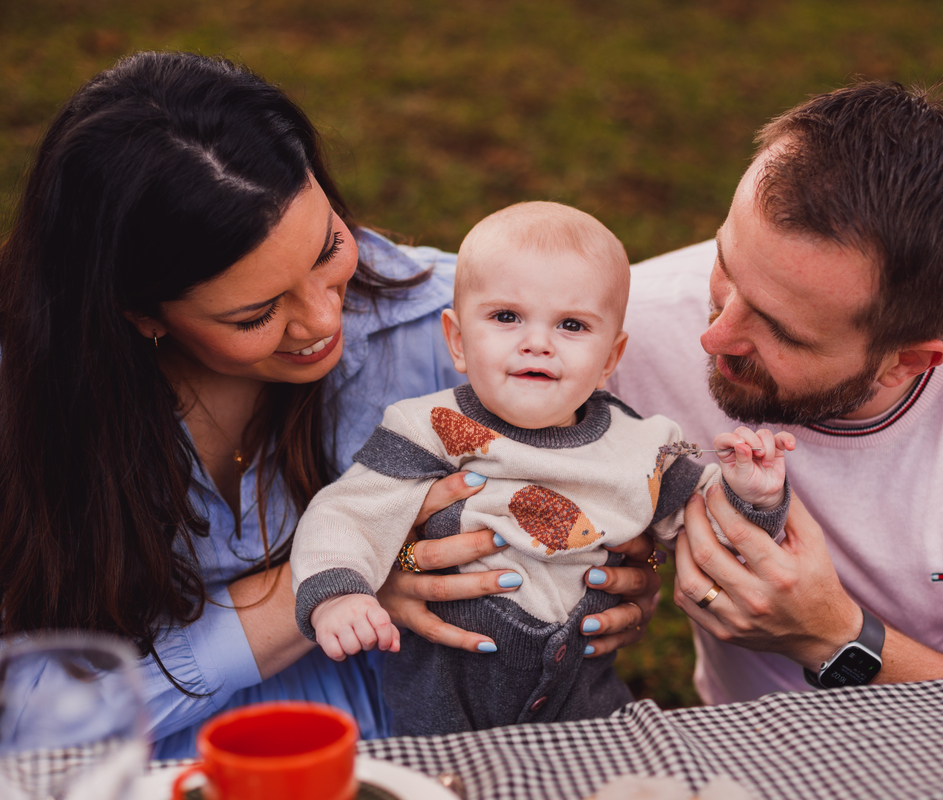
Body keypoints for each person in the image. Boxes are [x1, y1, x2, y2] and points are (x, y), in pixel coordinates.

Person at [0, 52, 658, 767]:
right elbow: (17, 719)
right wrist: (336, 581)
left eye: (327, 247)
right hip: (135, 764)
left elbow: (604, 475)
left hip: (403, 739)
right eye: (255, 315)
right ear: (139, 314)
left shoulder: (462, 324)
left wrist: (604, 579)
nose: (321, 321)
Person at [607, 80, 943, 701]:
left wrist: (833, 638)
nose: (714, 336)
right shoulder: (619, 331)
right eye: (725, 266)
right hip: (747, 756)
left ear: (906, 362)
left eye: (782, 333)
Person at [290, 201, 792, 735]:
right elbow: (350, 512)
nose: (537, 341)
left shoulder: (644, 445)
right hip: (445, 704)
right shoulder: (428, 428)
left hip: (585, 703)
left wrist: (750, 496)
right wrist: (338, 593)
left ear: (609, 359)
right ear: (458, 341)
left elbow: (712, 536)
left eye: (571, 324)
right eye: (506, 317)